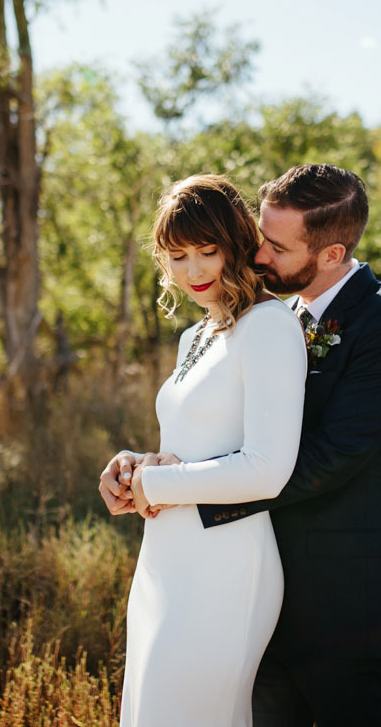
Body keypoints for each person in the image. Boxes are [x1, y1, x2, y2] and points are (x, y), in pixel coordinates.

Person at [101, 164, 381, 726]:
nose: (257, 255)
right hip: (252, 572)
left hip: (344, 597)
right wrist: (157, 467)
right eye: (260, 236)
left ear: (330, 254)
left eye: (275, 246)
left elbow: (330, 459)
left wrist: (169, 486)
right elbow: (231, 431)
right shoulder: (266, 316)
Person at [111, 174, 308, 727]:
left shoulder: (270, 325)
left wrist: (157, 485)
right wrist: (138, 465)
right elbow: (191, 448)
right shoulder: (194, 336)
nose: (192, 271)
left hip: (226, 560)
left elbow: (267, 469)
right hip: (165, 555)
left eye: (206, 251)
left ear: (236, 243)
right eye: (177, 256)